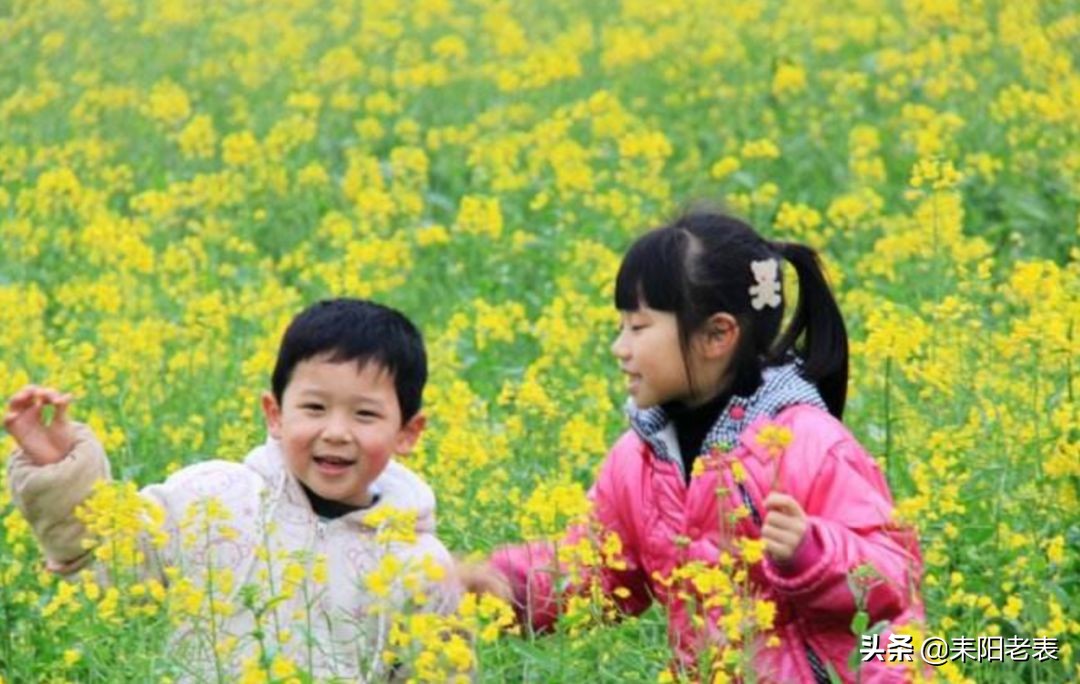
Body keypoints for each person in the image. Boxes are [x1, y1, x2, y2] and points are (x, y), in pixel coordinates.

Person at [460, 211, 924, 682]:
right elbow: (600, 570)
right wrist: (506, 586)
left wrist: (814, 552)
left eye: (638, 328)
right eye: (621, 327)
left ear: (717, 335)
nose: (620, 348)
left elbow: (896, 577)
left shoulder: (805, 443)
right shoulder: (640, 460)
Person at [6, 297, 459, 681]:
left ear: (408, 432)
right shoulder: (209, 497)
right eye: (315, 407)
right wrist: (60, 469)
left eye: (365, 415)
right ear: (275, 413)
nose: (336, 432)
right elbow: (108, 564)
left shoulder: (421, 565)